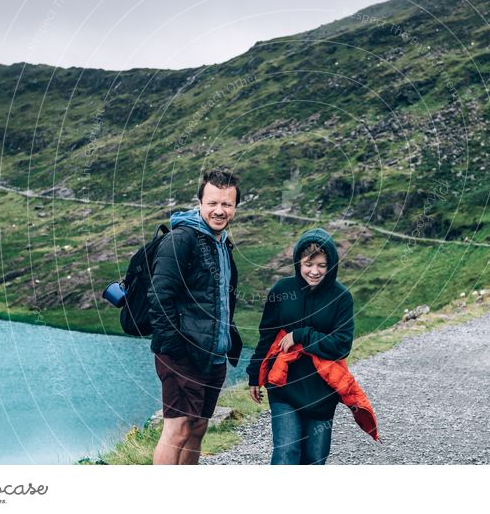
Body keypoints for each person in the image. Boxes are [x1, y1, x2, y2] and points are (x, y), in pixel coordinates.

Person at [147, 167, 243, 465]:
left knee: (198, 427)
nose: (219, 210)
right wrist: (176, 348)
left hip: (213, 355)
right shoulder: (181, 239)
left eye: (226, 204)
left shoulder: (221, 243)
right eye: (213, 203)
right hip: (183, 353)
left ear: (235, 207)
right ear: (199, 203)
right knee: (177, 429)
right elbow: (159, 298)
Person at [247, 228, 355, 464]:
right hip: (283, 385)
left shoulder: (342, 298)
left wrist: (302, 335)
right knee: (287, 453)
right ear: (298, 262)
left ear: (331, 265)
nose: (314, 271)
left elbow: (342, 345)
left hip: (322, 391)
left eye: (322, 265)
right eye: (308, 264)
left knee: (315, 459)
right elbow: (267, 336)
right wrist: (254, 374)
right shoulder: (281, 291)